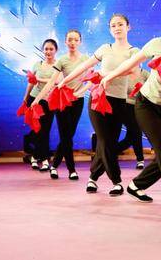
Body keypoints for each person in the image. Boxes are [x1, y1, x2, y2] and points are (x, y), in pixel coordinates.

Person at [101, 4, 161, 207]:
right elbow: (132, 62)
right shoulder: (157, 44)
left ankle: (137, 185)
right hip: (147, 104)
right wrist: (110, 76)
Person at [59, 14, 138, 196]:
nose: (117, 28)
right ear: (110, 29)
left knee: (108, 142)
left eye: (120, 24)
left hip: (119, 101)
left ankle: (92, 178)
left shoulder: (134, 52)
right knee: (105, 140)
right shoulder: (105, 48)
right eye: (113, 25)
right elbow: (84, 66)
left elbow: (132, 70)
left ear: (128, 27)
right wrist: (65, 80)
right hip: (98, 98)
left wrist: (107, 75)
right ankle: (116, 181)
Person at [31, 30, 89, 180]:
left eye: (75, 40)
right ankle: (71, 169)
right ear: (65, 42)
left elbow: (91, 80)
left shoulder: (85, 59)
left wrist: (79, 92)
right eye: (70, 40)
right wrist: (37, 99)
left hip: (78, 100)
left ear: (80, 42)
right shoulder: (62, 60)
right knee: (65, 136)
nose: (72, 43)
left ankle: (54, 165)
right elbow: (52, 82)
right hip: (62, 100)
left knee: (69, 135)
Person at [24, 39, 59, 172]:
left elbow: (56, 81)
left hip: (50, 101)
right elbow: (31, 82)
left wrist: (39, 79)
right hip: (35, 100)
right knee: (37, 129)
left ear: (55, 50)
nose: (48, 52)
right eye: (46, 49)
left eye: (51, 49)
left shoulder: (58, 65)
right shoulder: (37, 64)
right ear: (43, 50)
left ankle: (36, 157)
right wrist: (26, 98)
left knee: (45, 130)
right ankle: (43, 159)